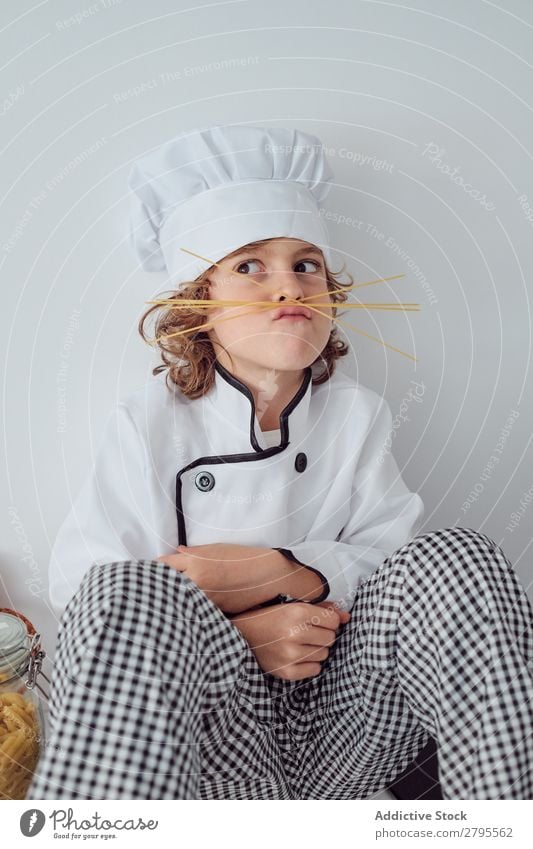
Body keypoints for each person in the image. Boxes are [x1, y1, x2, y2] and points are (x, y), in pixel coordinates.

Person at [26, 125, 533, 800]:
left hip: (347, 724)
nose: (285, 285)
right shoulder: (146, 421)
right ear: (197, 304)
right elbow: (87, 588)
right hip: (206, 742)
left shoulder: (357, 414)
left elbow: (392, 562)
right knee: (126, 592)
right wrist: (245, 631)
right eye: (247, 265)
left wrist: (286, 570)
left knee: (458, 558)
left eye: (305, 264)